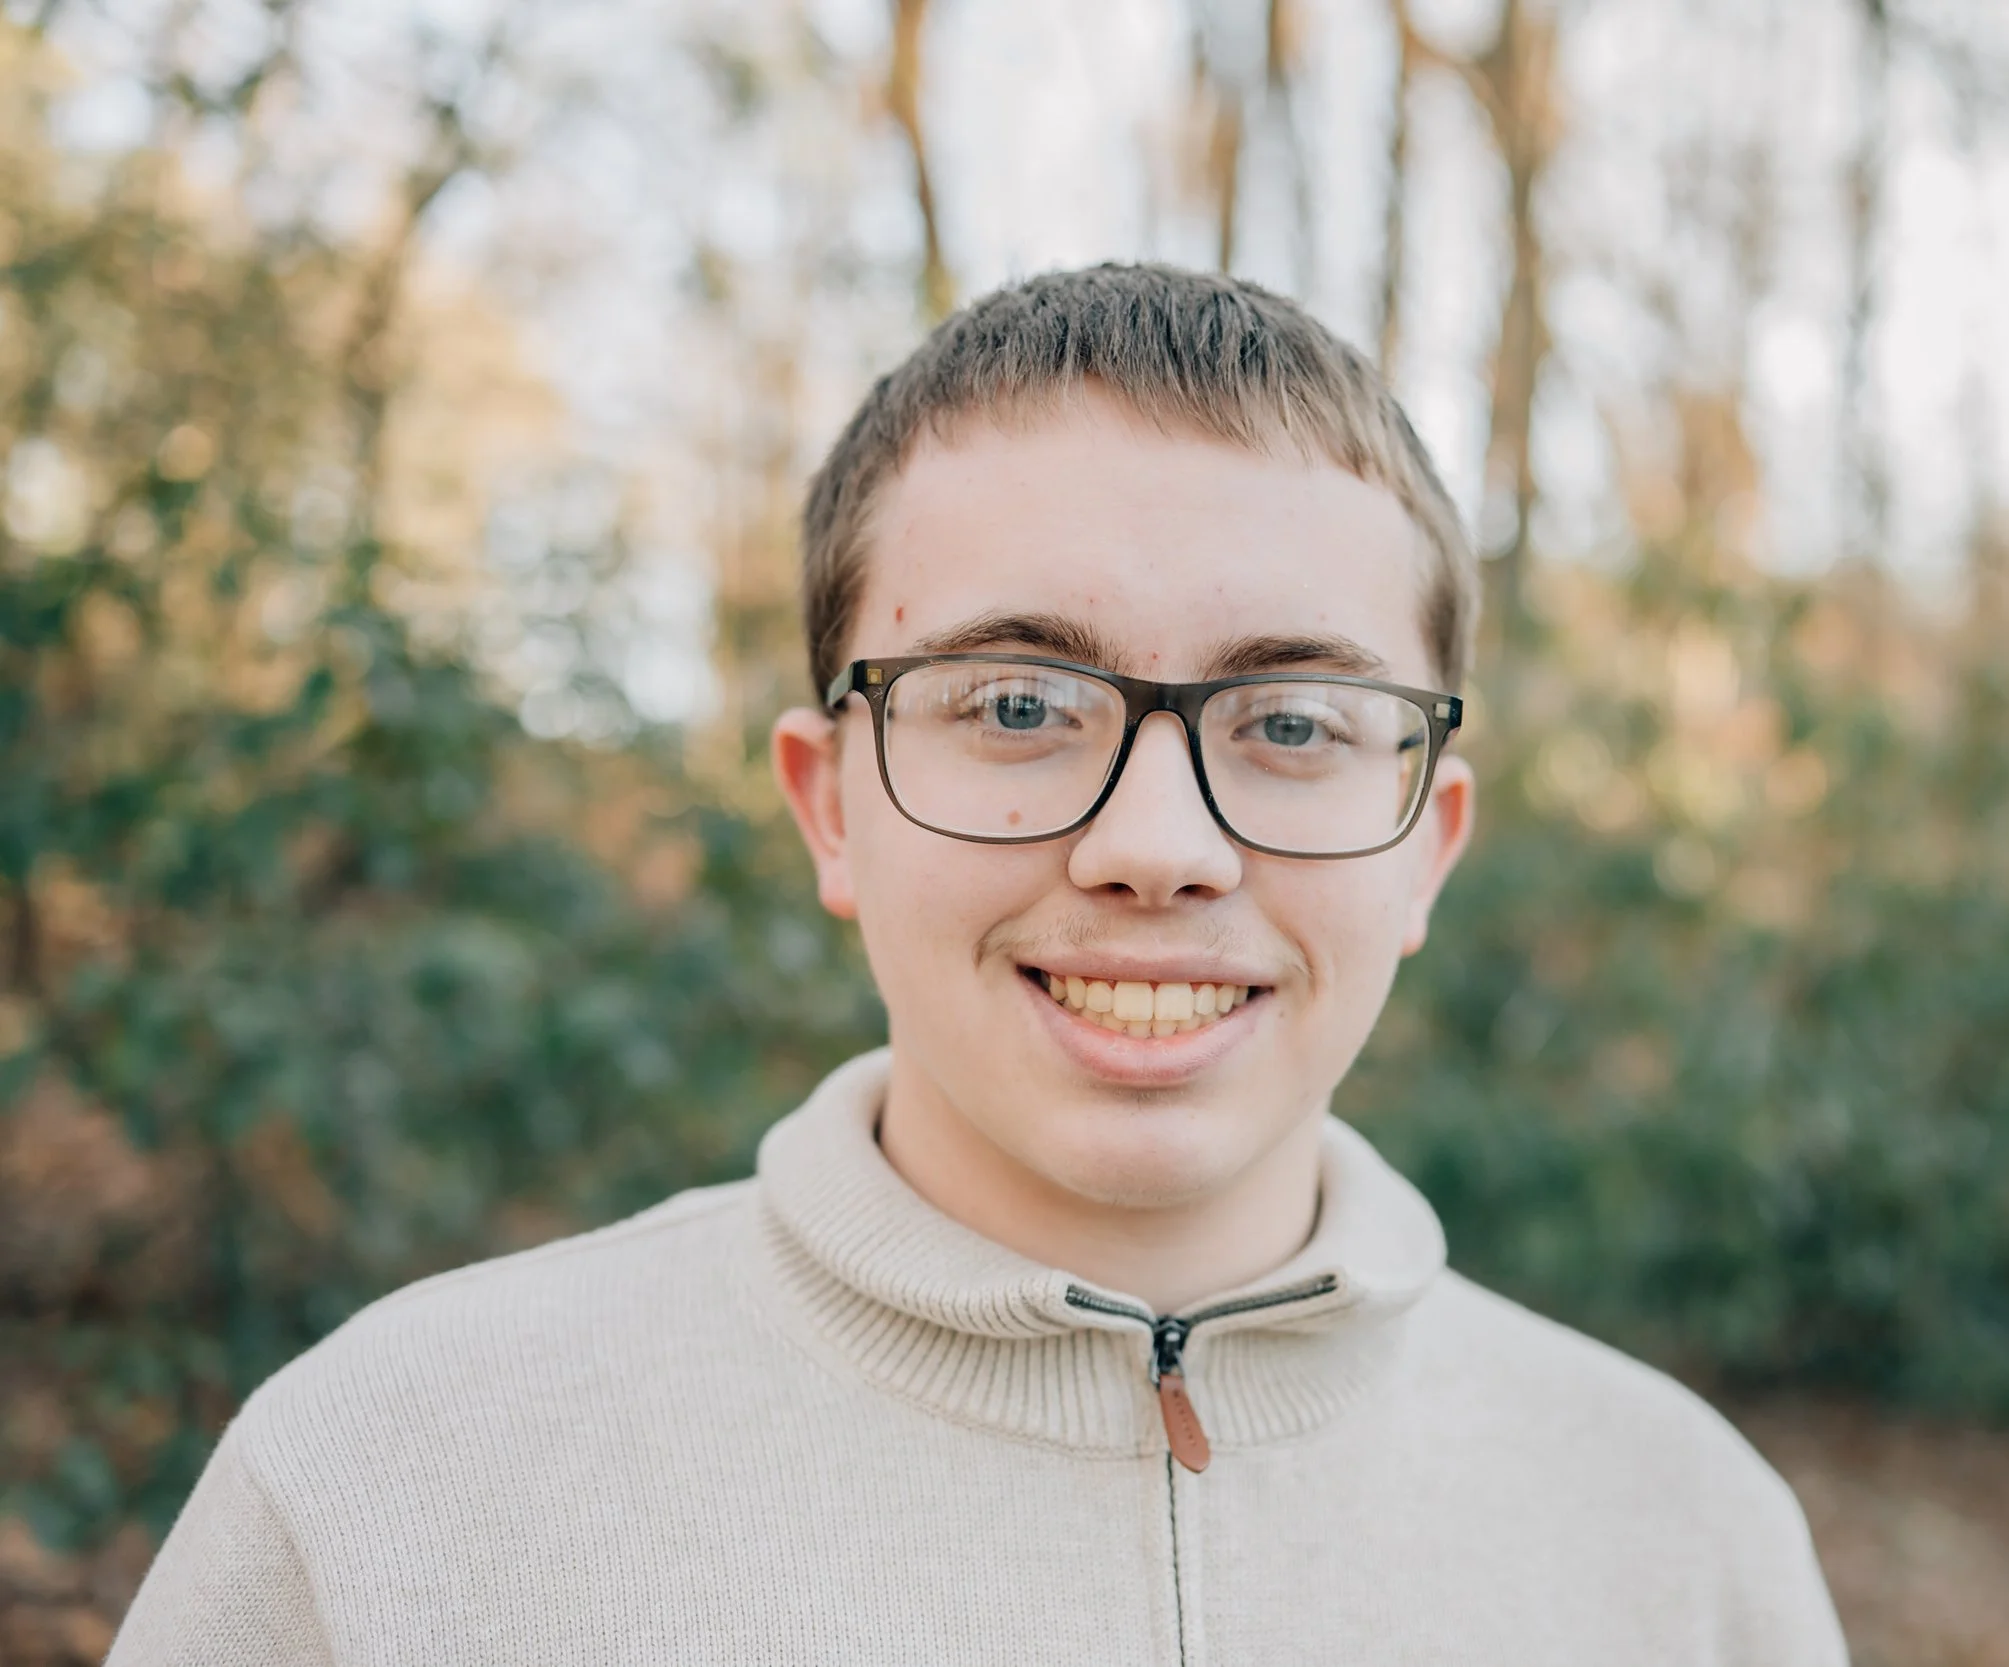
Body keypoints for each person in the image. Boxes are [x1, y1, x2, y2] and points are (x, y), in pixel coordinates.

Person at [109, 265, 1848, 1665]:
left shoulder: (1683, 1543)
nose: (1159, 842)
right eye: (1018, 703)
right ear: (831, 808)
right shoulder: (389, 1488)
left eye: (1297, 719)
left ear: (1426, 849)